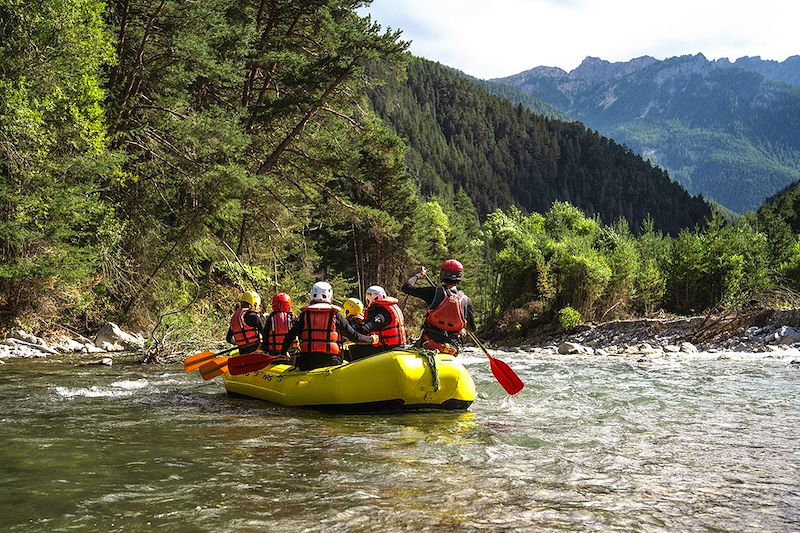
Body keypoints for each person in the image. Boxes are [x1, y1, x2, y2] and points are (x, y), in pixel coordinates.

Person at [280, 281, 378, 371]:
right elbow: (354, 337)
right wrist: (372, 340)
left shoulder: (304, 315)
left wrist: (283, 352)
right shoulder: (335, 315)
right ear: (329, 295)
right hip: (331, 362)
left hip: (307, 362)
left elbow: (290, 335)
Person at [401, 259, 475, 355]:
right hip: (450, 348)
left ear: (442, 275)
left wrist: (418, 275)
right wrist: (463, 329)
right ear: (460, 277)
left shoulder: (434, 292)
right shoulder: (466, 300)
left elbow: (406, 288)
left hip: (427, 343)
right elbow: (472, 328)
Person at [350, 285, 407, 360]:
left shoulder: (381, 312)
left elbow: (365, 329)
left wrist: (350, 330)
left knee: (355, 349)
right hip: (397, 346)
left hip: (388, 349)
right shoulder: (390, 306)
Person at [226, 290, 264, 354]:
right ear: (253, 304)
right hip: (255, 350)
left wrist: (240, 344)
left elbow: (228, 339)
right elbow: (265, 333)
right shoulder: (253, 316)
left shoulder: (235, 318)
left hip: (242, 352)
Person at [261, 292, 295, 357]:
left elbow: (265, 335)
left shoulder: (270, 318)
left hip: (273, 353)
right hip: (291, 352)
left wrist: (265, 349)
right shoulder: (292, 318)